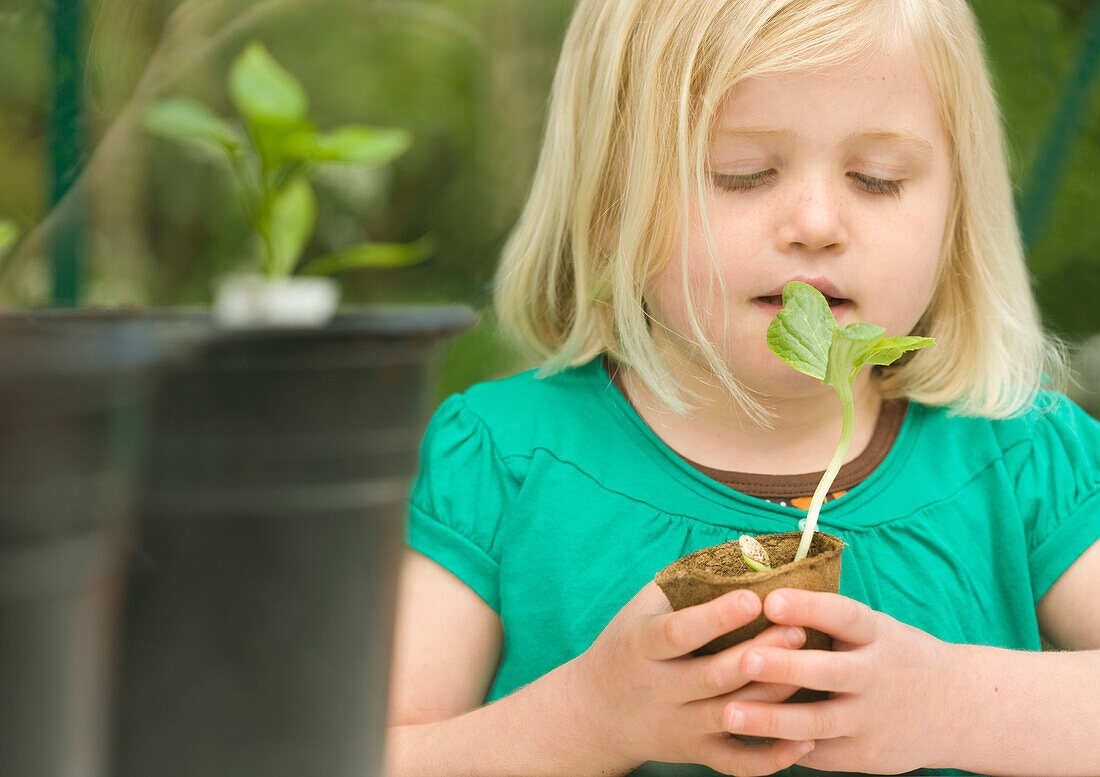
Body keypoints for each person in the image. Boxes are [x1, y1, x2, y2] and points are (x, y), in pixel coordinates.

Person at [384, 0, 1100, 775]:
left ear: (957, 210)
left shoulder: (1020, 454)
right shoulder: (501, 461)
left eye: (878, 179)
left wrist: (950, 704)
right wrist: (588, 719)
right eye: (743, 174)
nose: (819, 222)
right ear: (608, 202)